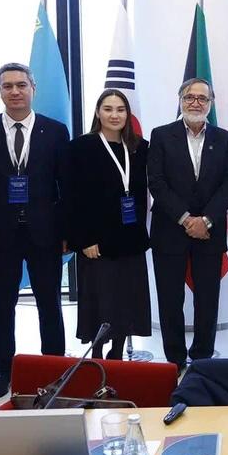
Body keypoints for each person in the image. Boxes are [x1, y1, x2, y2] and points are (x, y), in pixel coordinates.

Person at [0, 62, 70, 400]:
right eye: (8, 86)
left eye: (21, 85)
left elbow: (65, 186)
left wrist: (66, 231)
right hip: (0, 236)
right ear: (0, 91)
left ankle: (54, 367)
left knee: (49, 303)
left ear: (33, 89)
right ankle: (4, 370)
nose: (15, 91)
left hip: (45, 233)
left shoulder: (55, 131)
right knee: (2, 305)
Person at [147, 78, 228, 372]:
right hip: (170, 229)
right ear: (180, 100)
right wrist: (186, 219)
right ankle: (174, 359)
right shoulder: (161, 135)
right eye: (190, 97)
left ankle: (202, 359)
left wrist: (206, 219)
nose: (196, 103)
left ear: (210, 103)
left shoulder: (224, 138)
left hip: (210, 231)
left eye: (202, 98)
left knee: (208, 299)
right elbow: (156, 182)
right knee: (170, 299)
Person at [65, 90, 151, 359]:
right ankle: (97, 357)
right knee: (100, 303)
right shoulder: (81, 147)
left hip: (130, 240)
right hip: (96, 243)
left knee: (125, 302)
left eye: (120, 110)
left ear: (128, 114)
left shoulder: (140, 147)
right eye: (108, 109)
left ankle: (117, 356)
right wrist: (84, 239)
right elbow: (72, 197)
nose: (115, 115)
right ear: (98, 112)